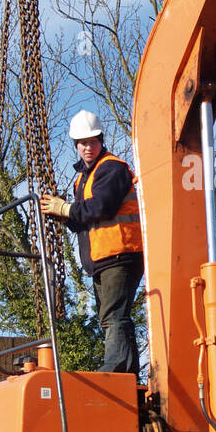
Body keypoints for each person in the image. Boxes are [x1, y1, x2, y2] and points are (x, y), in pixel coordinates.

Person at [40, 110, 145, 375]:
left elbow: (101, 207)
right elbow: (83, 220)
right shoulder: (84, 178)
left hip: (120, 253)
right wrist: (63, 214)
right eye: (83, 143)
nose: (88, 147)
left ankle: (117, 367)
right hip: (104, 257)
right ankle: (126, 370)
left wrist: (66, 209)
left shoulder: (112, 168)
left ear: (101, 140)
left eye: (93, 142)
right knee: (113, 315)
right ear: (76, 145)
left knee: (112, 315)